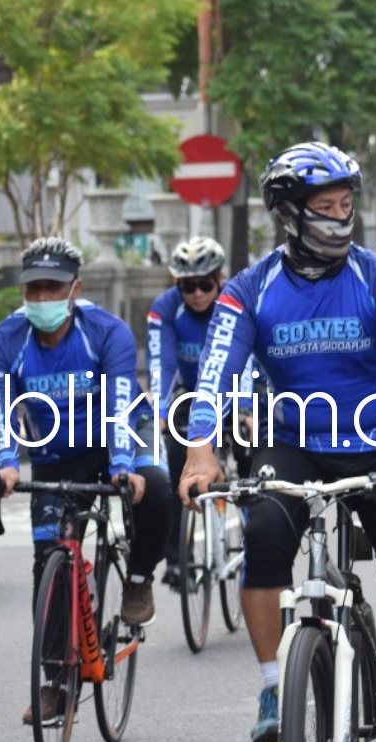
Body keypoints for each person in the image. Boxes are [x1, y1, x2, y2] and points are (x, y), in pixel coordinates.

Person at [177, 141, 376, 742]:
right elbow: (216, 371)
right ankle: (275, 690)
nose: (341, 217)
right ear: (291, 216)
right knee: (266, 545)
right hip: (293, 442)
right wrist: (201, 448)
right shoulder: (250, 288)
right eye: (325, 207)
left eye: (346, 204)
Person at [0, 237, 172, 724]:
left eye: (54, 288)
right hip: (55, 452)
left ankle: (137, 579)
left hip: (119, 436)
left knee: (156, 489)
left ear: (76, 289)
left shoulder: (106, 331)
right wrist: (6, 461)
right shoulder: (4, 340)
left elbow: (121, 399)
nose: (43, 298)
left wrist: (123, 463)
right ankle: (54, 682)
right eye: (34, 289)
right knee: (48, 561)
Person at [145, 236, 255, 583]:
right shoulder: (164, 308)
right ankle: (178, 558)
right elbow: (160, 361)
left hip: (239, 387)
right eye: (186, 286)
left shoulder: (235, 302)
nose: (196, 293)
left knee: (250, 448)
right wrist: (161, 410)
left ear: (219, 278)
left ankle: (257, 538)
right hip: (194, 394)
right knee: (178, 459)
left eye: (204, 284)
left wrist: (245, 407)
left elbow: (249, 357)